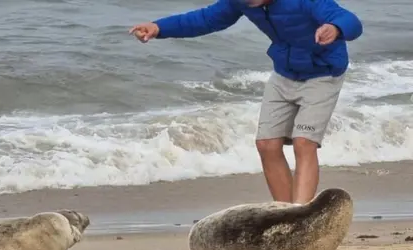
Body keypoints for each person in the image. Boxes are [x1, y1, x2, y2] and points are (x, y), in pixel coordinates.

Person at [129, 0, 362, 204]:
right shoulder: (242, 1)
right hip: (284, 73)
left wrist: (335, 27)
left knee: (304, 142)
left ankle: (301, 212)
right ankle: (286, 214)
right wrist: (159, 28)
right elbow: (205, 19)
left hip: (323, 73)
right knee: (267, 145)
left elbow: (350, 20)